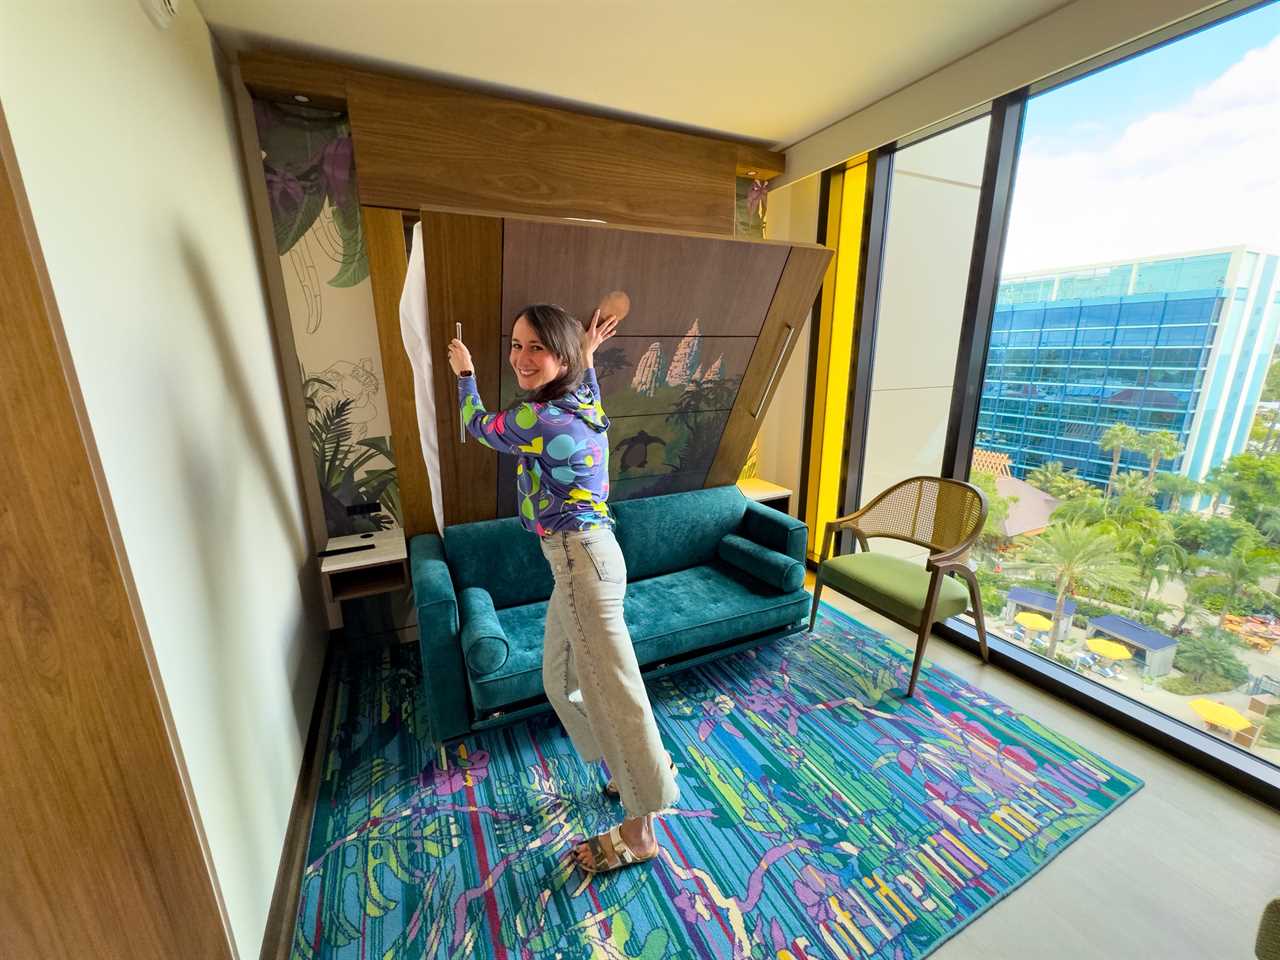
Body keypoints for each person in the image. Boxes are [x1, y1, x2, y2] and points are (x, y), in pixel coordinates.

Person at [446, 303, 679, 875]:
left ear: (561, 357)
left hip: (582, 565)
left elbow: (479, 427)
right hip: (583, 563)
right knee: (562, 676)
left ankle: (641, 825)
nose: (522, 358)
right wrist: (587, 353)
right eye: (517, 345)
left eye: (537, 349)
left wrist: (465, 375)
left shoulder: (541, 420)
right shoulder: (581, 397)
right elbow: (584, 375)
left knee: (615, 690)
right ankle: (623, 769)